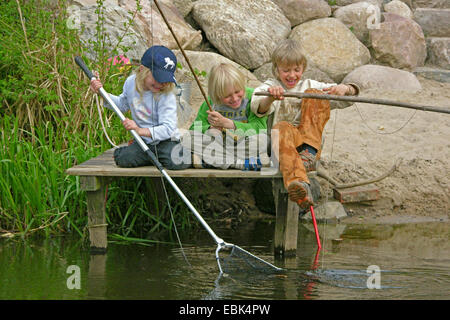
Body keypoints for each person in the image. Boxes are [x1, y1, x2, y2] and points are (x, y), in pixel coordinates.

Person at [251, 39, 360, 211]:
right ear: (276, 69)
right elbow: (258, 107)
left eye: (297, 70)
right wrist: (271, 97)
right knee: (282, 127)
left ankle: (308, 154)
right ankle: (299, 185)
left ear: (303, 68)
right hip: (283, 146)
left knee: (315, 94)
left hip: (307, 145)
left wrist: (346, 88)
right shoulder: (270, 86)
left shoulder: (310, 85)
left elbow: (347, 99)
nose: (292, 75)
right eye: (286, 70)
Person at [90, 45, 190, 170]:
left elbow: (168, 129)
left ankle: (156, 155)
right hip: (142, 141)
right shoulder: (130, 83)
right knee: (123, 159)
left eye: (166, 80)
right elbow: (121, 105)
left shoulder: (166, 93)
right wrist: (102, 93)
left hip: (165, 140)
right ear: (142, 70)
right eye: (158, 78)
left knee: (179, 161)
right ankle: (148, 155)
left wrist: (139, 130)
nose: (162, 83)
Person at [187, 63, 268, 169]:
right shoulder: (211, 102)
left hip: (243, 144)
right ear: (216, 95)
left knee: (262, 140)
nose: (234, 98)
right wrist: (210, 128)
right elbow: (194, 129)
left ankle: (210, 160)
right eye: (227, 96)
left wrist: (230, 124)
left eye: (237, 91)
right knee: (187, 138)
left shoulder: (252, 98)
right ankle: (239, 163)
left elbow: (260, 128)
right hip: (220, 144)